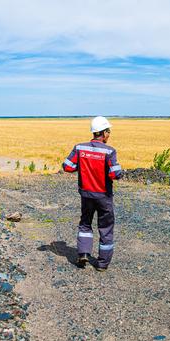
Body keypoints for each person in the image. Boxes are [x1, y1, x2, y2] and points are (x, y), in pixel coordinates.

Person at [62, 116, 123, 271]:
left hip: (86, 195)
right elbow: (115, 174)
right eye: (108, 131)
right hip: (104, 196)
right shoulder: (109, 151)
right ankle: (102, 264)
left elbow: (67, 166)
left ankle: (83, 254)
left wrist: (83, 166)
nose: (109, 134)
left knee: (85, 224)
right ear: (103, 132)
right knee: (106, 228)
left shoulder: (80, 148)